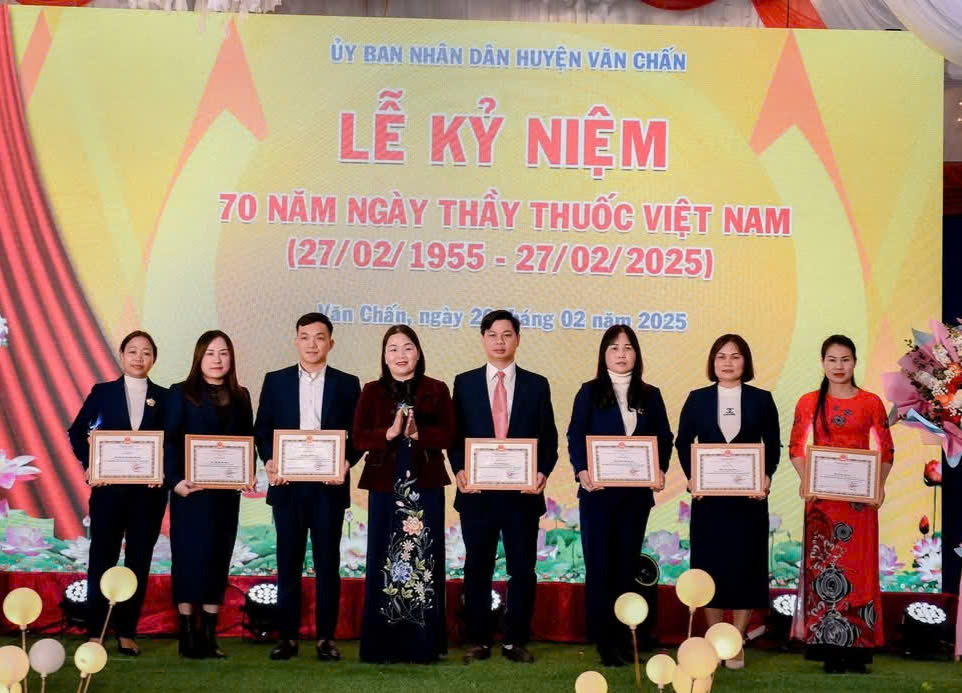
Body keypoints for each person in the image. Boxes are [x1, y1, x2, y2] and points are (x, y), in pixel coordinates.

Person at [448, 309, 558, 664]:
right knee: (477, 567)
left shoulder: (536, 384)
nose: (500, 341)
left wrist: (541, 473)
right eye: (493, 335)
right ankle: (478, 639)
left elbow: (549, 439)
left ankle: (515, 640)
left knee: (522, 570)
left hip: (521, 497)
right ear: (483, 339)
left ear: (518, 339)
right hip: (477, 495)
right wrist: (459, 469)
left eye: (507, 335)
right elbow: (455, 436)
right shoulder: (464, 383)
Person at [253, 312, 362, 662]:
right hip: (288, 488)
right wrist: (270, 460)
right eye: (305, 337)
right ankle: (287, 638)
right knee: (288, 563)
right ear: (296, 341)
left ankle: (326, 639)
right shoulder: (276, 381)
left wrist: (347, 462)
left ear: (331, 343)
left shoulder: (347, 383)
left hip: (329, 488)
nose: (312, 344)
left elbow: (358, 435)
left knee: (328, 565)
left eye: (319, 337)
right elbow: (262, 429)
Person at [566, 326, 673, 667]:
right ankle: (604, 641)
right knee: (600, 568)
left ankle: (625, 638)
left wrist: (659, 469)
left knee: (625, 569)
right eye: (614, 348)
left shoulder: (650, 395)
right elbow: (575, 435)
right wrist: (582, 470)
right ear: (604, 354)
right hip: (597, 496)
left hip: (635, 498)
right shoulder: (589, 391)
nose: (622, 354)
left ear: (637, 354)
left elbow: (664, 437)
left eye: (628, 348)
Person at [789, 335, 893, 674]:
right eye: (832, 360)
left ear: (855, 362)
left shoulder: (871, 402)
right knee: (824, 569)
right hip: (823, 504)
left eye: (845, 359)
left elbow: (887, 450)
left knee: (859, 573)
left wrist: (878, 486)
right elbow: (795, 448)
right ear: (823, 363)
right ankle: (829, 649)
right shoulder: (808, 402)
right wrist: (806, 479)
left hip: (859, 504)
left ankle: (858, 651)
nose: (838, 366)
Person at [675, 334, 780, 670]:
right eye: (721, 356)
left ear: (745, 362)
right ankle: (714, 640)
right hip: (709, 500)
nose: (728, 362)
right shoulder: (698, 399)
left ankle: (735, 643)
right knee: (711, 567)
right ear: (712, 362)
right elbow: (682, 442)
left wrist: (766, 478)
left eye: (735, 356)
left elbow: (773, 445)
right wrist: (693, 477)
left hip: (749, 500)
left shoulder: (762, 399)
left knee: (746, 567)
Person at [353, 325, 455, 663]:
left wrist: (418, 432)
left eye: (408, 347)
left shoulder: (436, 389)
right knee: (384, 557)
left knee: (424, 558)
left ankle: (424, 644)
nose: (401, 355)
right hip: (385, 486)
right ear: (384, 356)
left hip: (425, 487)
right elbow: (359, 437)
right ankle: (382, 644)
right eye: (393, 348)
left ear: (419, 353)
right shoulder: (371, 391)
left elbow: (449, 435)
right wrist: (390, 432)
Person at [67, 331, 168, 656]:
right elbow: (76, 431)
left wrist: (163, 471)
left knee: (138, 560)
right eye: (132, 351)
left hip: (148, 496)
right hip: (108, 493)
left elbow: (173, 442)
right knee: (102, 557)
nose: (139, 358)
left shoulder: (165, 397)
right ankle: (96, 631)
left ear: (154, 358)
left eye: (146, 352)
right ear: (122, 355)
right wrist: (89, 465)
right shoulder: (103, 392)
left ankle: (126, 631)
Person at [164, 330, 253, 659]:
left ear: (231, 359)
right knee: (188, 558)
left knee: (218, 556)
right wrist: (175, 481)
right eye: (211, 353)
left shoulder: (241, 396)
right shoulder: (180, 393)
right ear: (199, 357)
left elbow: (248, 440)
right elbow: (169, 441)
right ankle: (187, 632)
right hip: (190, 494)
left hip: (226, 495)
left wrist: (247, 473)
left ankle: (210, 634)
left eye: (224, 353)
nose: (217, 360)